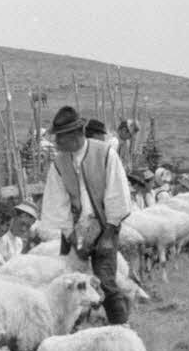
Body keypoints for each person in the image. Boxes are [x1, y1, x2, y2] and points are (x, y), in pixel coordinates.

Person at [37, 105, 134, 325]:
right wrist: (72, 237)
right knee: (71, 284)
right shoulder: (60, 163)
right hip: (74, 230)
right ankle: (69, 331)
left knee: (106, 282)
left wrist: (109, 234)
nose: (57, 142)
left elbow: (117, 195)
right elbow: (57, 203)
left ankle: (122, 331)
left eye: (60, 137)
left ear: (74, 135)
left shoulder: (105, 153)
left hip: (104, 227)